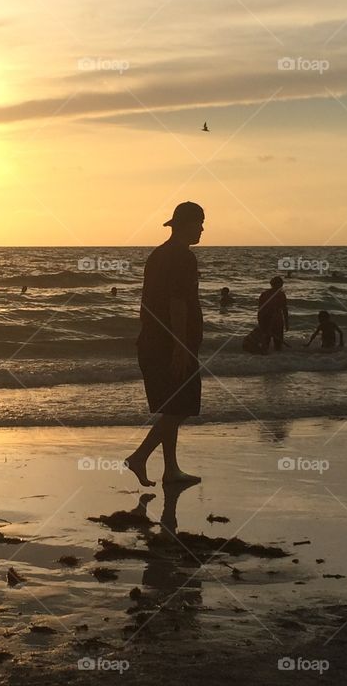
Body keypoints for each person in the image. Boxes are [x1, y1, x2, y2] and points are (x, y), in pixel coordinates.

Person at [125, 201, 205, 487]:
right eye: (200, 223)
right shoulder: (182, 257)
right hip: (169, 345)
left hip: (152, 341)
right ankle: (139, 457)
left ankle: (171, 469)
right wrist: (180, 347)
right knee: (180, 408)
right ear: (186, 225)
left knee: (172, 407)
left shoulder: (158, 255)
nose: (203, 229)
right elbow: (177, 304)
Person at [257, 276, 289, 351]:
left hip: (275, 321)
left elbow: (284, 309)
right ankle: (271, 359)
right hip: (268, 320)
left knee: (275, 344)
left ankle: (273, 360)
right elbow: (260, 310)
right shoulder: (266, 294)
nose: (280, 286)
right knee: (267, 343)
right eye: (279, 284)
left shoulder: (280, 295)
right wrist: (260, 322)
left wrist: (286, 323)